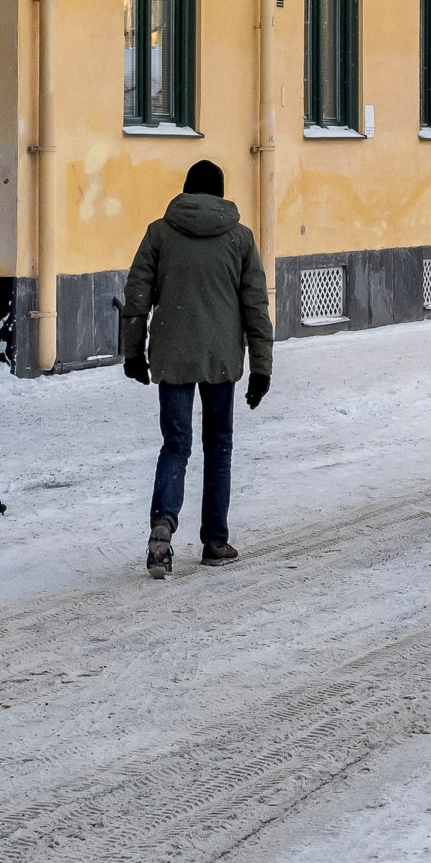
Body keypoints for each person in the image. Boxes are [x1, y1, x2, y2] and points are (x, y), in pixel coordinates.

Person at [120, 159, 274, 580]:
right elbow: (255, 307)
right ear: (221, 195)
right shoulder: (240, 239)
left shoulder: (160, 232)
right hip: (221, 359)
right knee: (218, 447)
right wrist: (262, 367)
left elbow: (137, 294)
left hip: (171, 354)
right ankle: (215, 541)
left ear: (186, 191)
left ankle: (161, 531)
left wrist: (133, 352)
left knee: (175, 445)